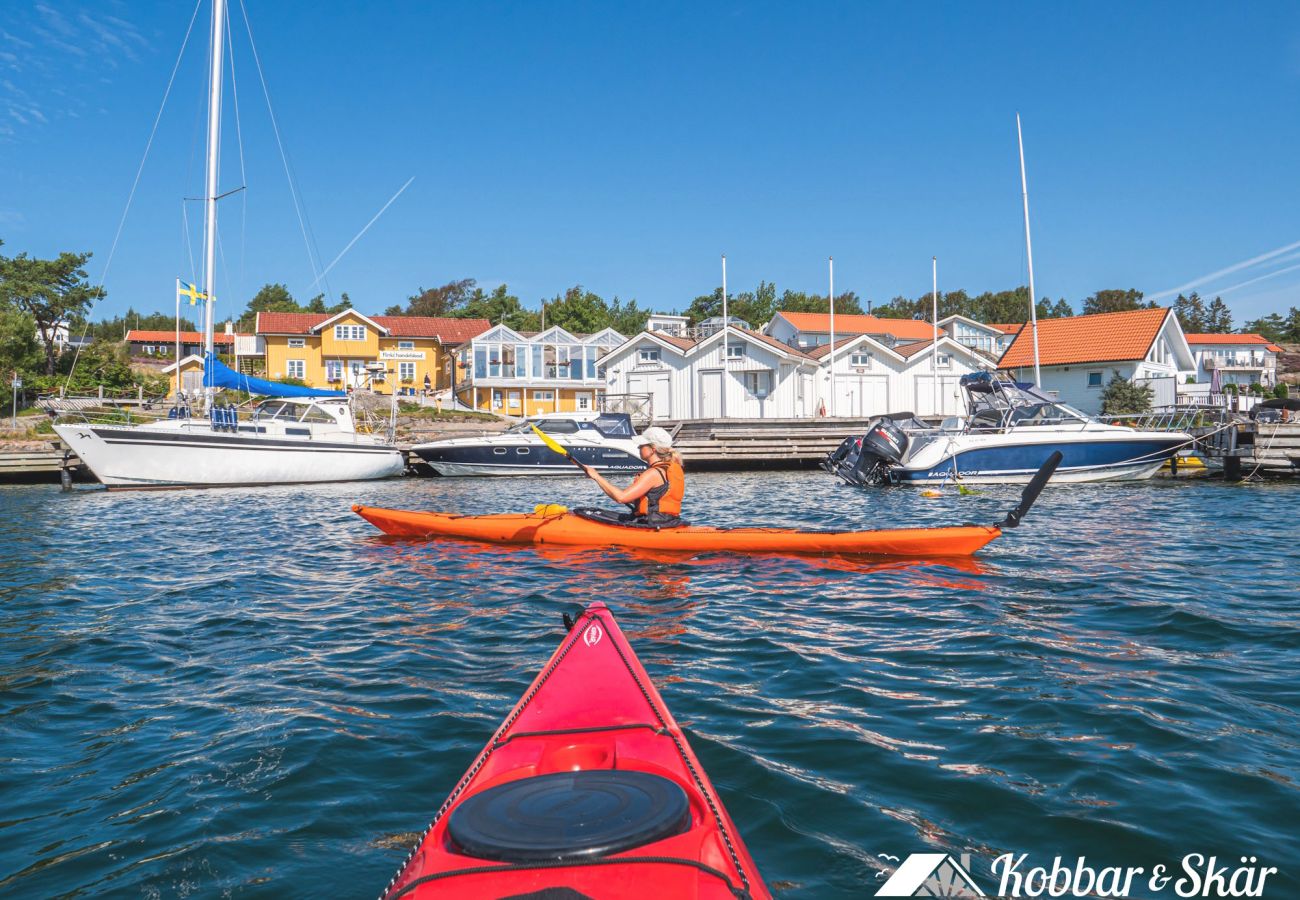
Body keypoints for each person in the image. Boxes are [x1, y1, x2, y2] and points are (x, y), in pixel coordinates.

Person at [579, 426, 685, 526]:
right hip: (667, 521)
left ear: (653, 449)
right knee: (596, 513)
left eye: (642, 445)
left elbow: (621, 498)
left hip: (653, 525)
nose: (638, 447)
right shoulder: (665, 469)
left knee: (587, 513)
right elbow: (645, 499)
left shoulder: (653, 473)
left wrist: (596, 477)